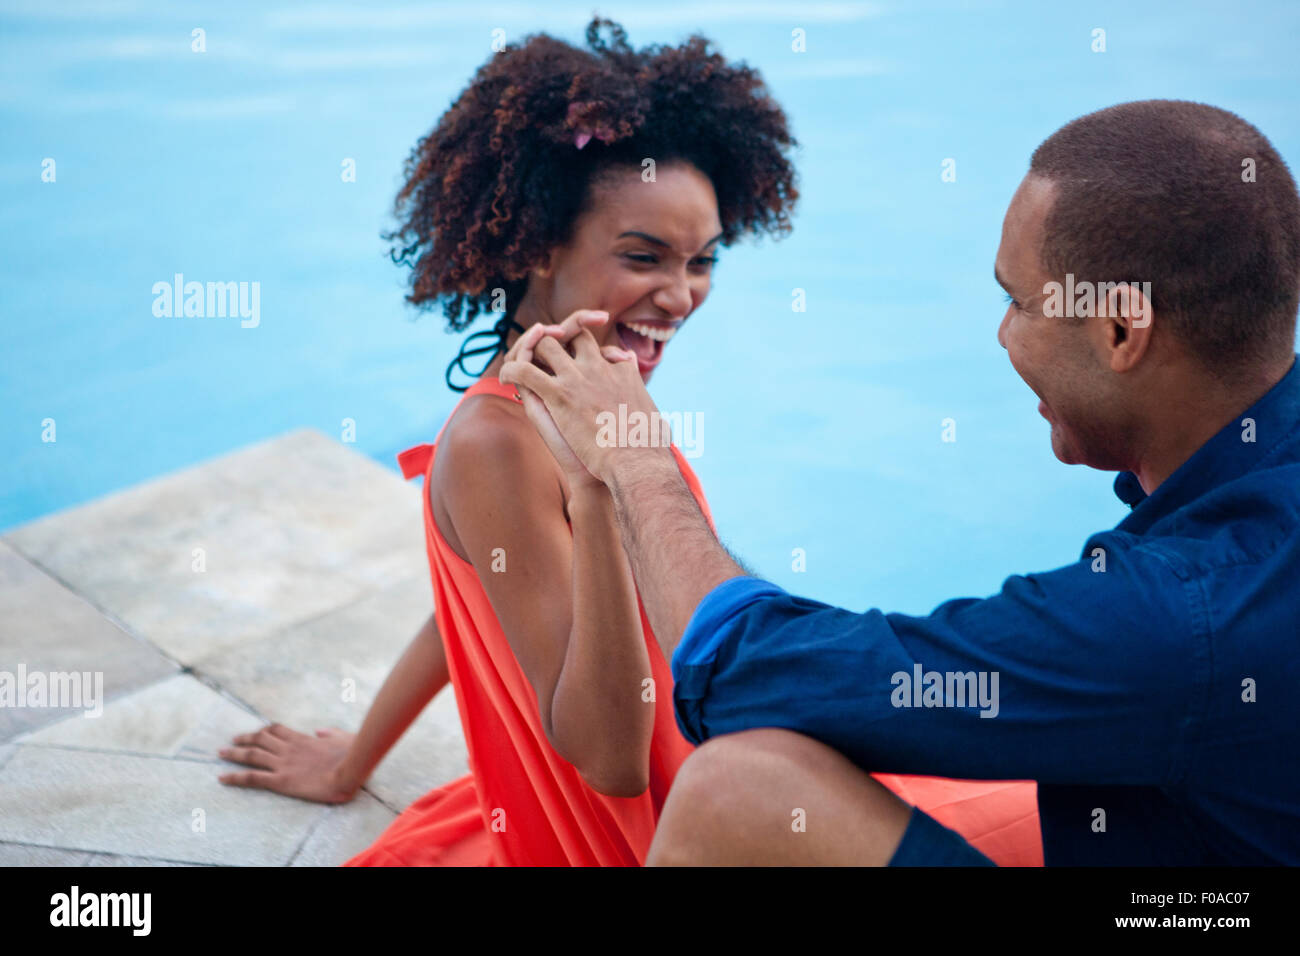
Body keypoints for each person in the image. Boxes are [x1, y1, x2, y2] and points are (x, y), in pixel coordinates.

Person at [219, 17, 1040, 866]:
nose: (680, 296)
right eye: (645, 258)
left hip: (728, 771)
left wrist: (353, 761)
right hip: (670, 832)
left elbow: (481, 599)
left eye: (702, 261)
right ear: (539, 245)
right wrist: (600, 484)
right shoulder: (501, 442)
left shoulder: (581, 390)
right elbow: (611, 763)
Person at [500, 99, 1300, 865]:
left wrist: (632, 457)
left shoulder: (1174, 616)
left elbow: (749, 673)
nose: (1002, 334)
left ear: (1121, 329)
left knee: (738, 794)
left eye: (1017, 301)